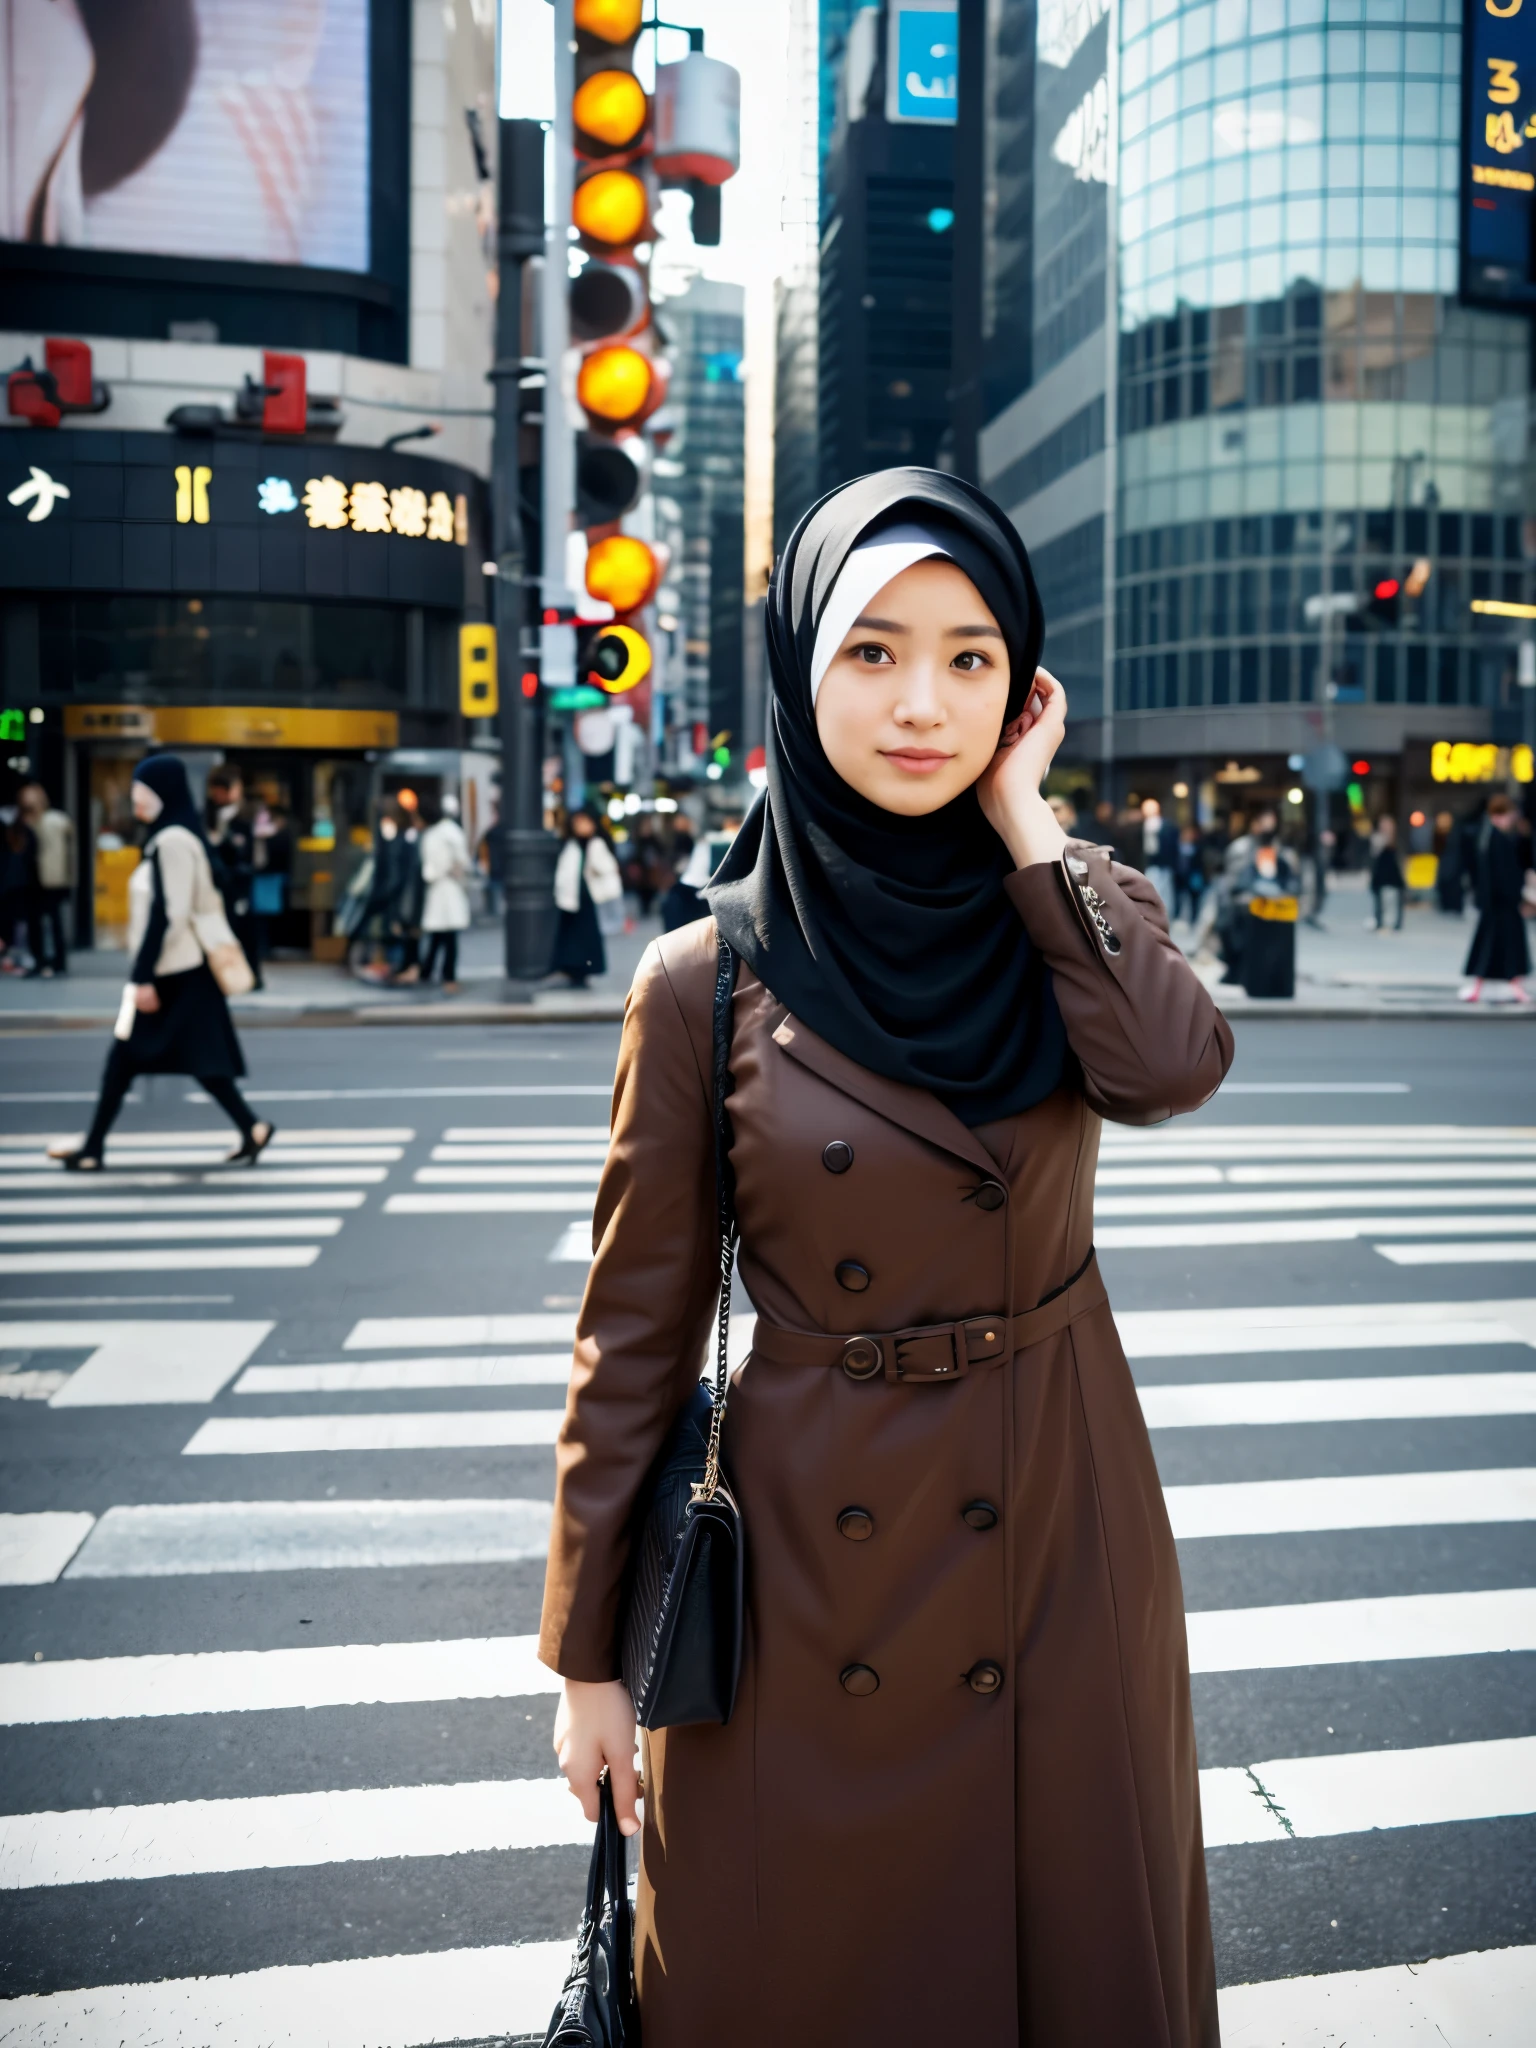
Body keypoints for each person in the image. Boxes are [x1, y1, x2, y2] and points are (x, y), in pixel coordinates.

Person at [539, 468, 1230, 2046]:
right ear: (801, 671)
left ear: (1022, 686)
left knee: (1074, 1959)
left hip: (1060, 1525)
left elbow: (1174, 1068)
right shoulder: (702, 978)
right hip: (805, 1559)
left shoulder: (1065, 917)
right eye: (873, 652)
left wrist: (1027, 819)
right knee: (800, 1968)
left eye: (972, 658)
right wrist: (587, 1664)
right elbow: (630, 1338)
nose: (923, 702)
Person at [47, 755, 273, 1171]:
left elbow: (168, 912)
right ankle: (250, 1126)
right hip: (178, 971)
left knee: (131, 1059)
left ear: (162, 792)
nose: (135, 797)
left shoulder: (172, 841)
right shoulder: (173, 837)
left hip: (174, 972)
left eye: (142, 789)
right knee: (191, 1060)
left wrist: (142, 976)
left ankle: (94, 1148)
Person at [1460, 794, 1531, 1003]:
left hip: (1495, 904)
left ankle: (1484, 987)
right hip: (1501, 904)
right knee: (1503, 948)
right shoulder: (1496, 838)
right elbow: (1505, 873)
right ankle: (1511, 987)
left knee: (1491, 948)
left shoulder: (1488, 835)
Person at [550, 808, 622, 987]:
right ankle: (570, 969)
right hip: (569, 898)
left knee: (587, 938)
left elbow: (607, 867)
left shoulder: (596, 844)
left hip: (589, 898)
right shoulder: (570, 844)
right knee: (569, 936)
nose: (580, 827)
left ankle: (584, 971)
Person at [205, 767, 263, 990]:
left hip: (241, 882)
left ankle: (251, 976)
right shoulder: (210, 813)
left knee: (245, 930)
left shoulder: (246, 815)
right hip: (218, 883)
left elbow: (250, 852)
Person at [1238, 819, 1300, 998]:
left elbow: (1291, 883)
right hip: (1263, 913)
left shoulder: (1281, 861)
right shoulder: (1255, 858)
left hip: (1276, 913)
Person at [18, 781, 74, 976]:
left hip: (49, 879)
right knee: (37, 922)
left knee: (52, 920)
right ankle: (42, 960)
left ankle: (55, 961)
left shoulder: (51, 821)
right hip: (33, 878)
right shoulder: (27, 821)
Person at [419, 794, 471, 992]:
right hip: (445, 887)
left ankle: (439, 973)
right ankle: (436, 972)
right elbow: (462, 859)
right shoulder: (447, 831)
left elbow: (460, 859)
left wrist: (452, 869)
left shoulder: (438, 833)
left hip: (444, 887)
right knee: (443, 935)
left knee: (444, 935)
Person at [0, 806, 40, 973]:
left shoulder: (22, 833)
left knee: (13, 923)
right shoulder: (26, 833)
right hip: (21, 885)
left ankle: (11, 957)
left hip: (12, 885)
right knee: (19, 924)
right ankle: (14, 957)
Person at [1139, 795, 1179, 911]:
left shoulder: (1167, 826)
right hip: (1148, 864)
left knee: (1165, 894)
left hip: (1164, 864)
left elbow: (1172, 846)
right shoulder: (1140, 826)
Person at [1368, 814, 1405, 931]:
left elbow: (1401, 857)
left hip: (1393, 870)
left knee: (1399, 894)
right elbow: (1374, 853)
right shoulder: (1377, 837)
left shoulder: (1397, 839)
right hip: (1380, 869)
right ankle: (1379, 921)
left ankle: (1397, 922)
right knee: (1378, 895)